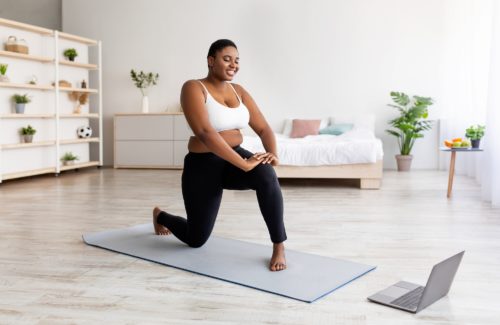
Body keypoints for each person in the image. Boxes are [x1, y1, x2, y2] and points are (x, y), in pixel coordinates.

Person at [153, 39, 287, 271]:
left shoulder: (240, 91)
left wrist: (273, 153)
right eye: (227, 59)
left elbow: (264, 128)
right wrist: (245, 164)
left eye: (236, 61)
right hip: (202, 166)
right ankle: (161, 216)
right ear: (211, 61)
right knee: (196, 240)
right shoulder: (193, 87)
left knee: (266, 175)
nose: (233, 64)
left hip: (233, 158)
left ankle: (279, 245)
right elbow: (205, 133)